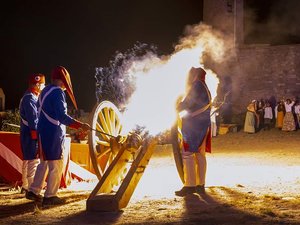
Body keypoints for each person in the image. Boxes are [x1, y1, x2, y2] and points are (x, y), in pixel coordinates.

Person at [26, 66, 90, 206]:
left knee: (44, 163)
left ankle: (33, 191)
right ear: (63, 80)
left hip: (42, 131)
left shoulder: (44, 91)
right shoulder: (58, 93)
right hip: (53, 133)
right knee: (56, 164)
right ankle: (50, 196)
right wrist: (79, 125)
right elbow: (62, 116)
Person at [175, 67, 212, 196]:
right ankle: (200, 185)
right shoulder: (205, 87)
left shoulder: (196, 86)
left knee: (188, 154)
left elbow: (188, 103)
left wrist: (178, 106)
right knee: (200, 155)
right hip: (203, 124)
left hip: (194, 126)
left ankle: (190, 185)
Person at [19, 73, 45, 194]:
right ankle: (31, 189)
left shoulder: (30, 96)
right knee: (33, 160)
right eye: (42, 84)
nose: (43, 87)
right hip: (31, 133)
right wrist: (38, 133)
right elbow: (33, 119)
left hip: (27, 132)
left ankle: (25, 186)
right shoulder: (30, 98)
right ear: (38, 85)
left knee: (27, 160)